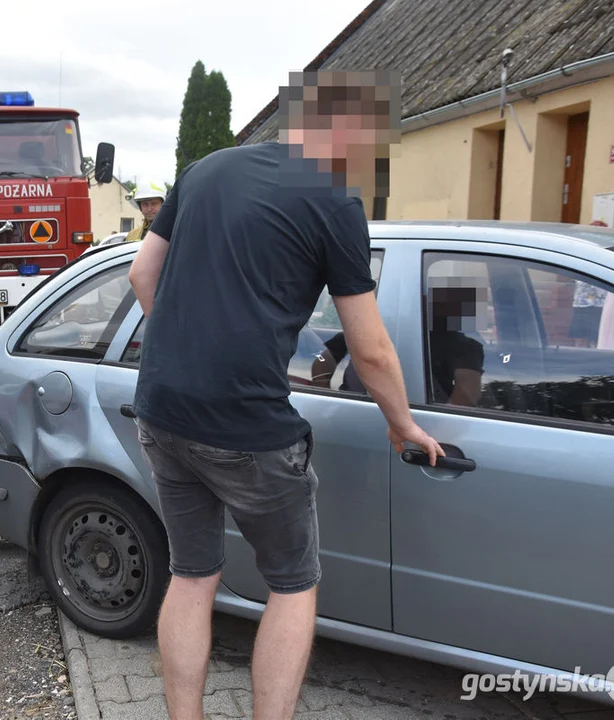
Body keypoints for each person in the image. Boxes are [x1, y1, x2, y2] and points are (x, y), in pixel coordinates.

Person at [127, 69, 443, 720]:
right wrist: (403, 424)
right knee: (292, 586)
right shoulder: (334, 201)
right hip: (247, 428)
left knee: (190, 577)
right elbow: (372, 348)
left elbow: (140, 274)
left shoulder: (205, 169)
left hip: (161, 409)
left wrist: (189, 353)